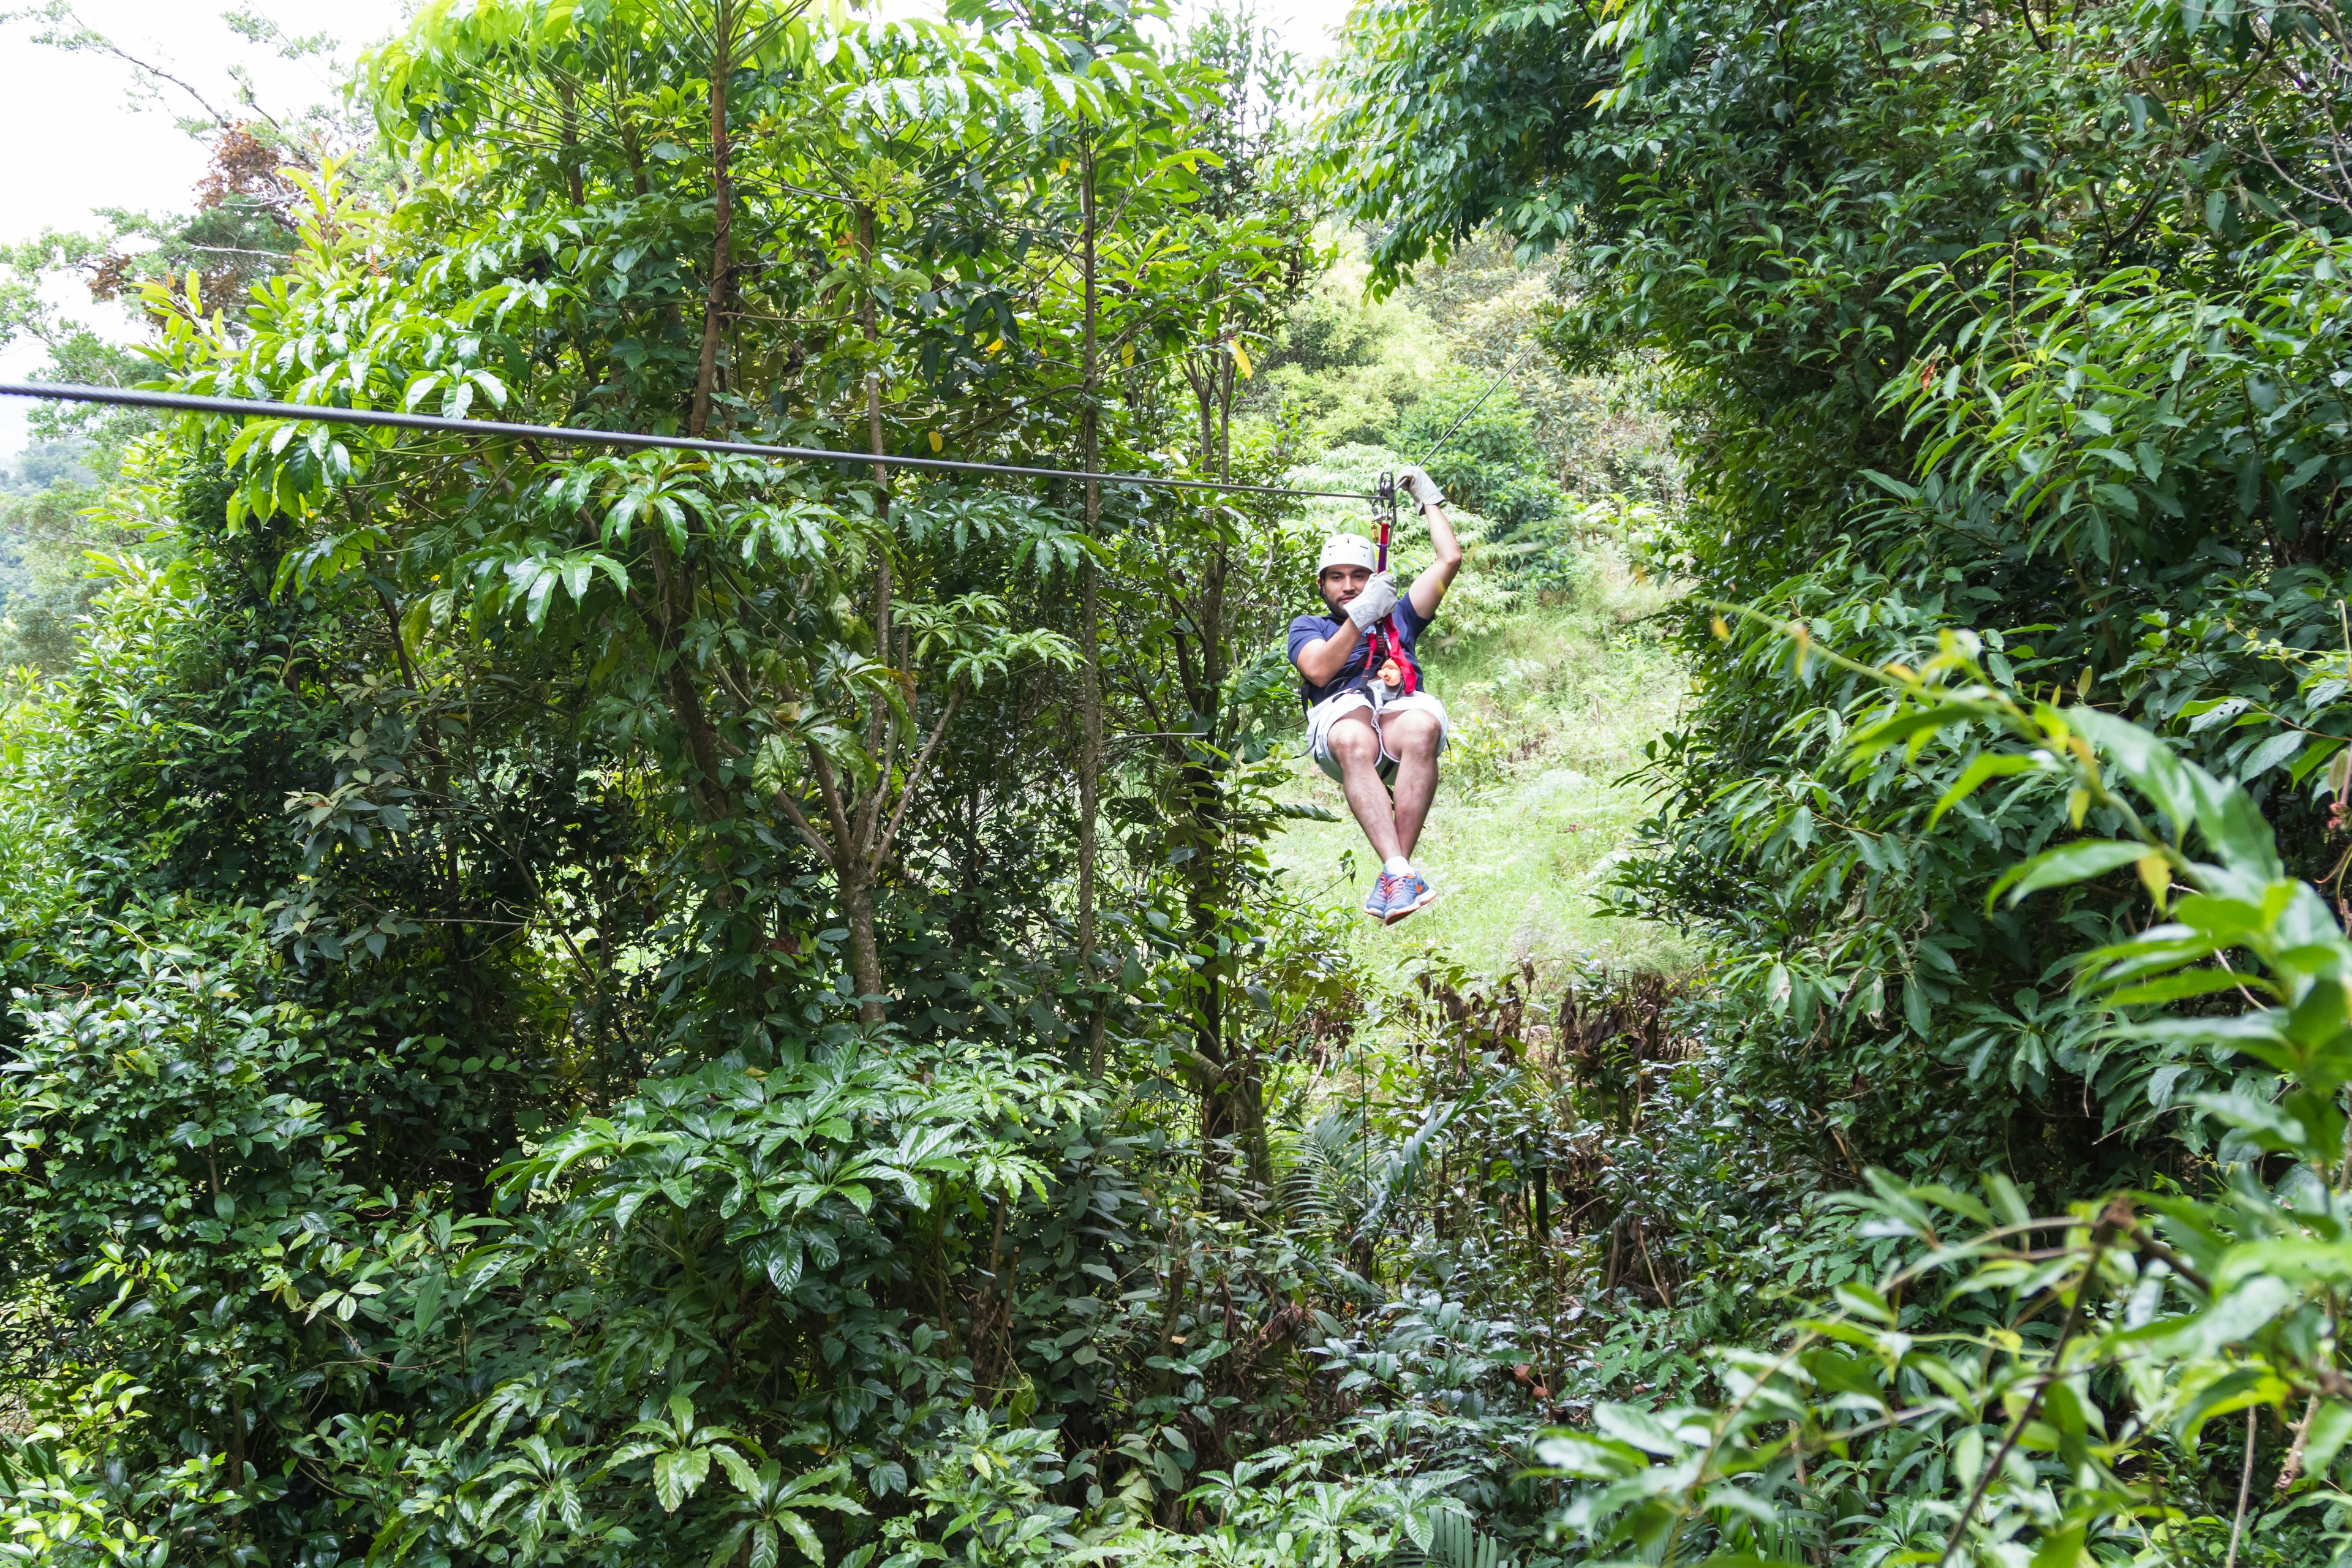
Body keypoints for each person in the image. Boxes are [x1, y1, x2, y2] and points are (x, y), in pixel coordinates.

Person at [1287, 464, 1463, 924]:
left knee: (1425, 726)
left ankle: (1397, 874)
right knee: (1351, 739)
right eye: (1337, 577)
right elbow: (1320, 670)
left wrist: (1429, 499)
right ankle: (1399, 873)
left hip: (1397, 715)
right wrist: (1360, 616)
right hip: (1345, 726)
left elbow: (1449, 563)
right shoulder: (1309, 628)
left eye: (1360, 576)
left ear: (1374, 578)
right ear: (1322, 585)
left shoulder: (1401, 618)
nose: (1349, 586)